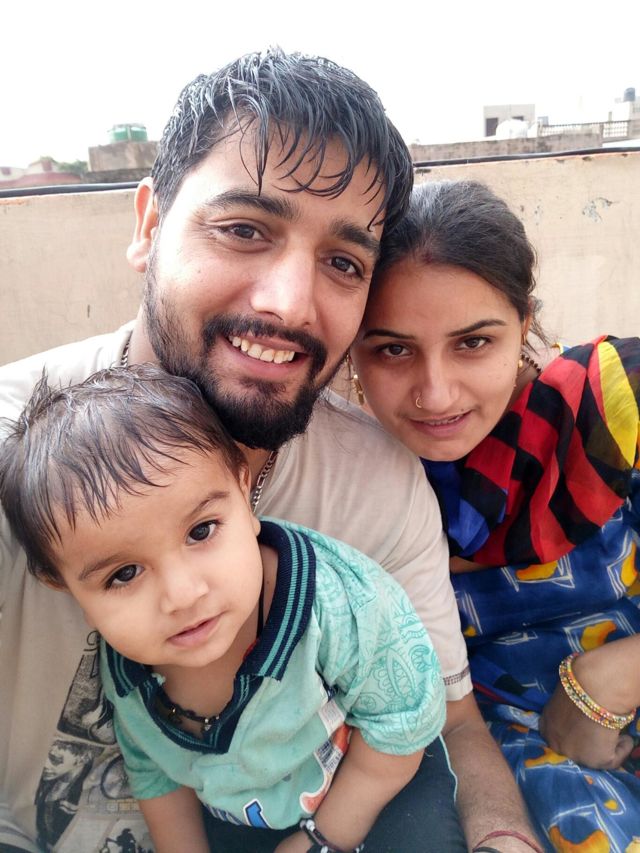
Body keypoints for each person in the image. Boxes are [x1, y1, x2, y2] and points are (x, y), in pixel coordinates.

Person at [0, 50, 536, 853]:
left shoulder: (374, 485)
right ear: (149, 226)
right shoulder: (15, 453)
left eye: (342, 263)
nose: (288, 304)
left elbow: (448, 721)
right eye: (244, 230)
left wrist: (504, 838)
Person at [0, 364, 455, 853]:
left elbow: (403, 720)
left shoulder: (336, 603)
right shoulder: (130, 677)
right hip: (248, 812)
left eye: (201, 531)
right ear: (65, 587)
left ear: (243, 490)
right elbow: (156, 773)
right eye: (124, 574)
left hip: (380, 777)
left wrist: (322, 840)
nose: (183, 595)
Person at [350, 179, 640, 852]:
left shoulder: (613, 408)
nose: (435, 393)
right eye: (392, 348)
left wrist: (609, 679)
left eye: (474, 342)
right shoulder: (347, 485)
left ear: (524, 322)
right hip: (517, 766)